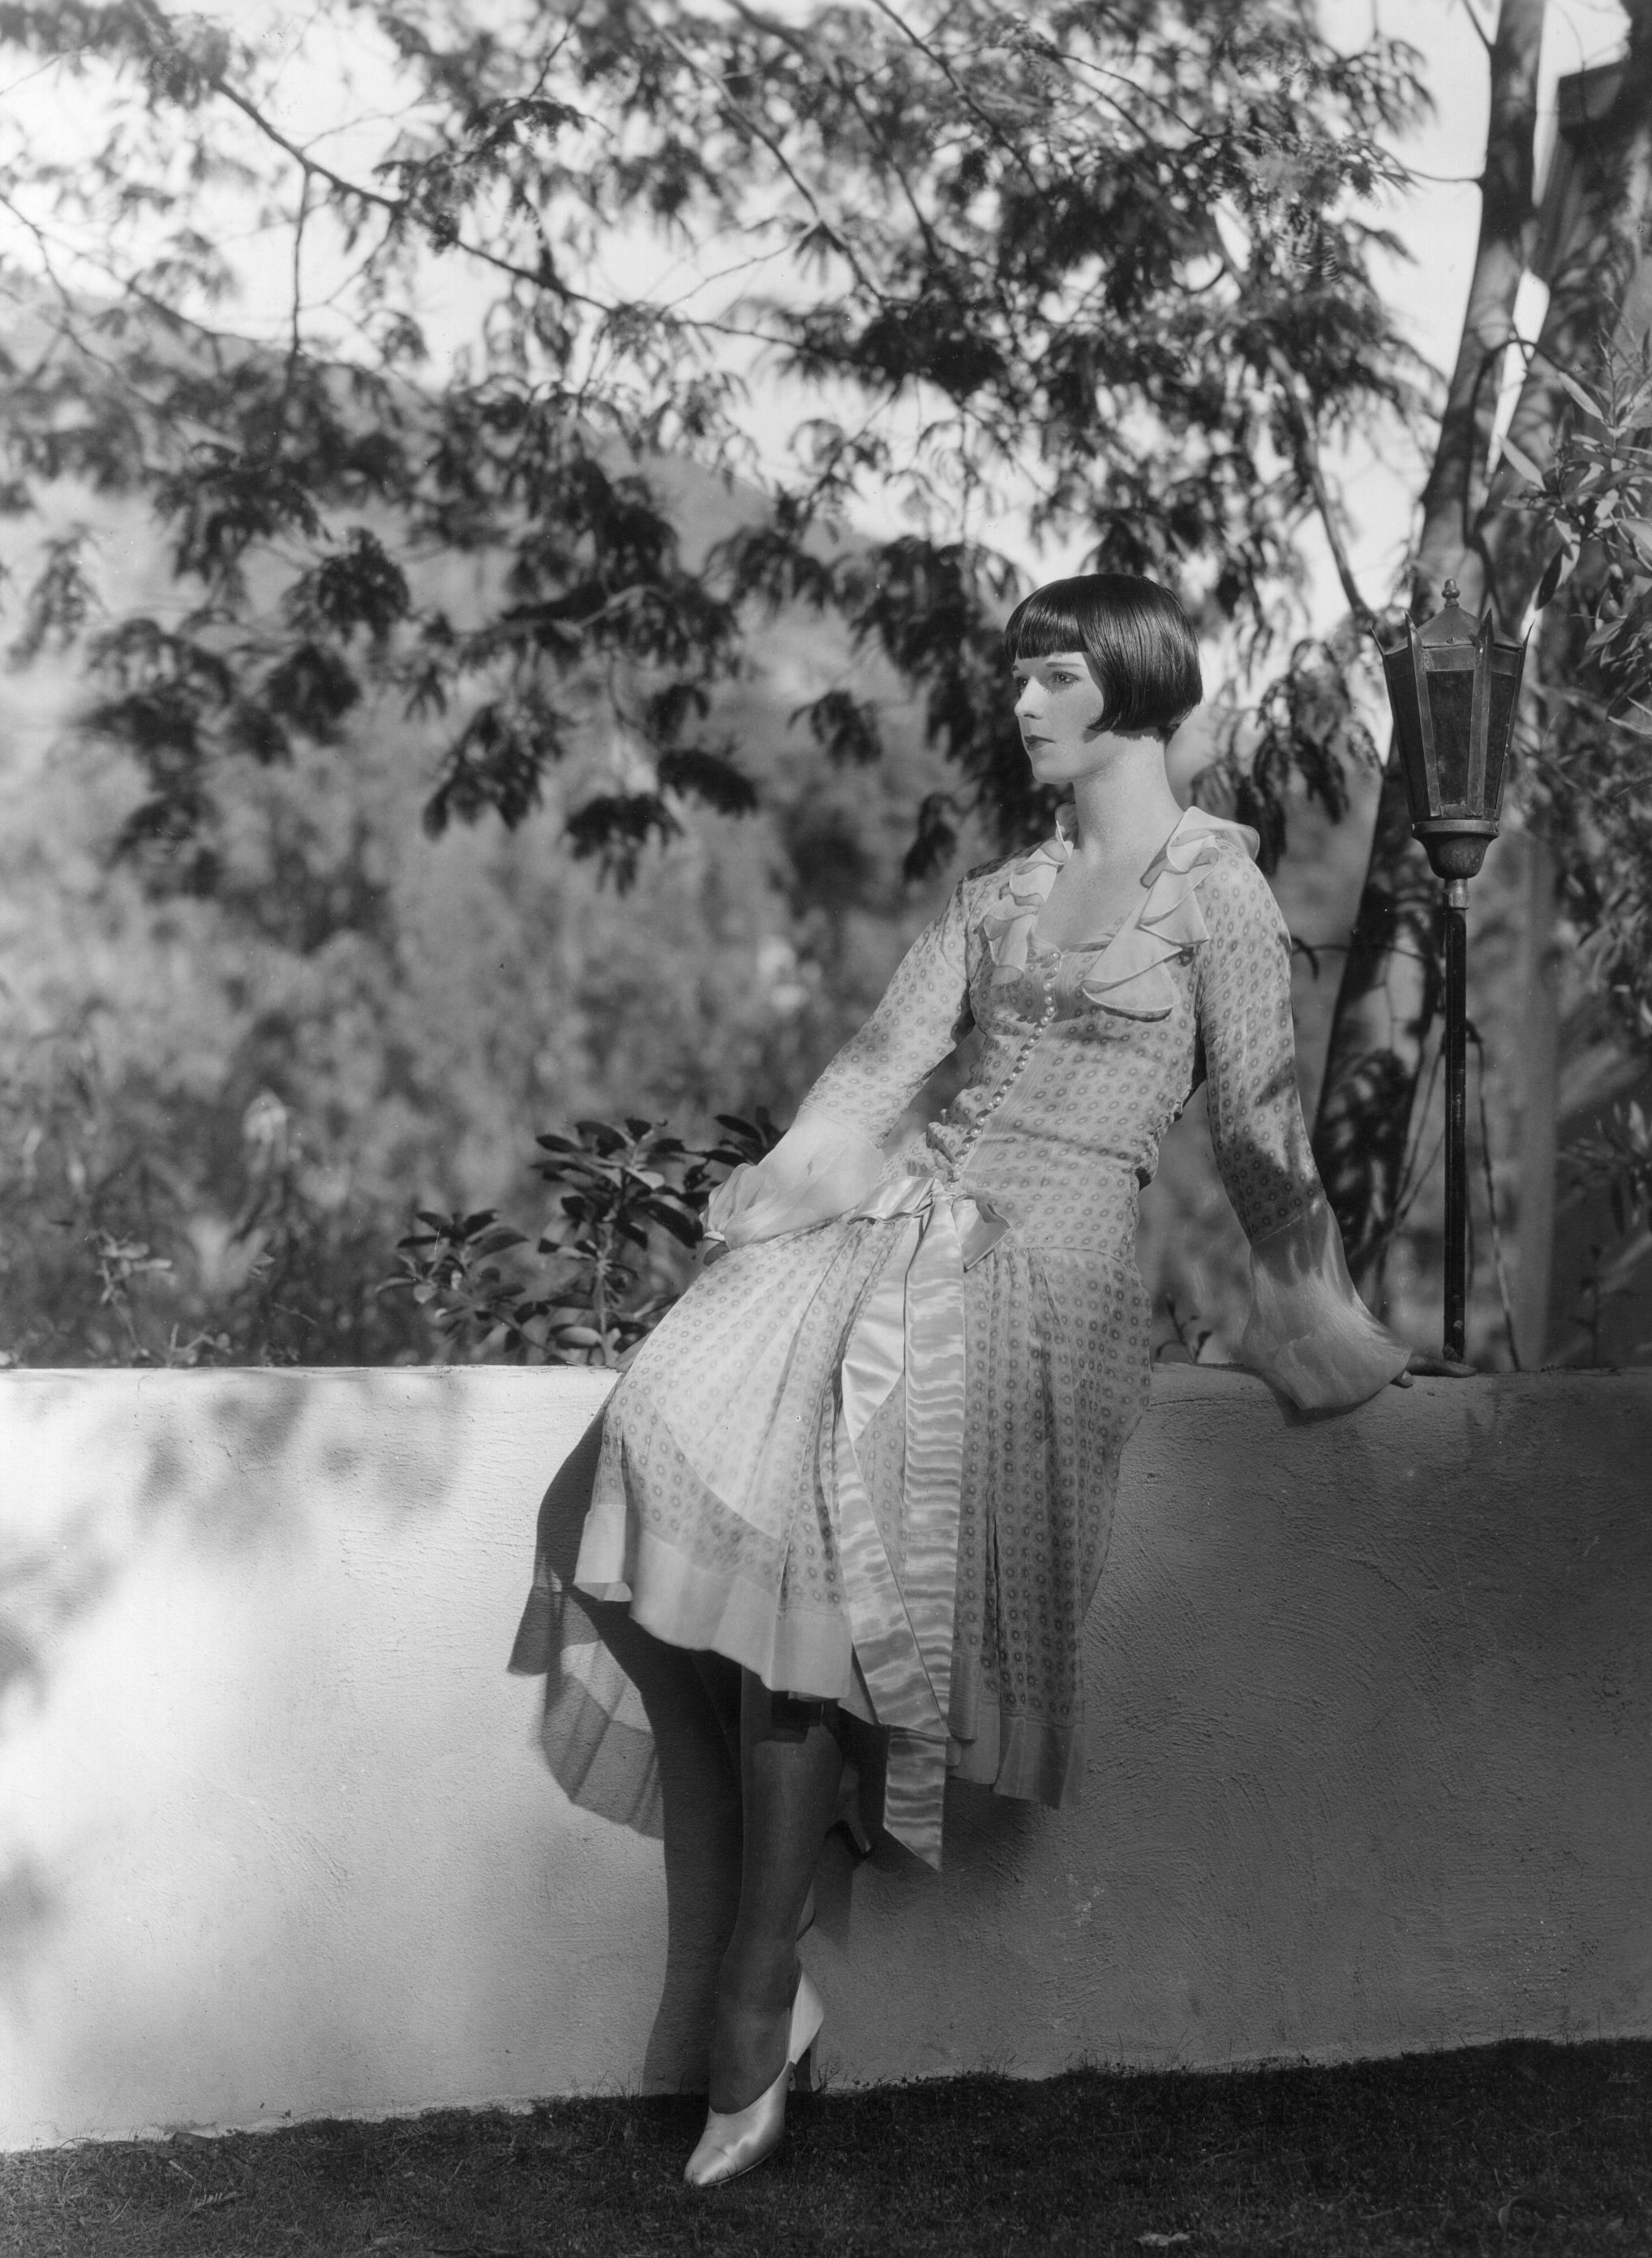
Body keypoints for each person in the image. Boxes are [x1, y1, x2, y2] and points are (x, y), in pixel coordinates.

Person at [512, 572, 1440, 2189]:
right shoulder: (1002, 895)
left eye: (1056, 675)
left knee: (825, 1546)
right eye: (1022, 675)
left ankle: (751, 1992)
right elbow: (883, 1068)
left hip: (1050, 1276)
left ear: (1135, 690)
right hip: (906, 1224)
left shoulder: (1216, 892)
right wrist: (783, 1192)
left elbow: (1256, 1120)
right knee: (661, 1425)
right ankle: (781, 1914)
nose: (1022, 703)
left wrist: (1318, 1323)